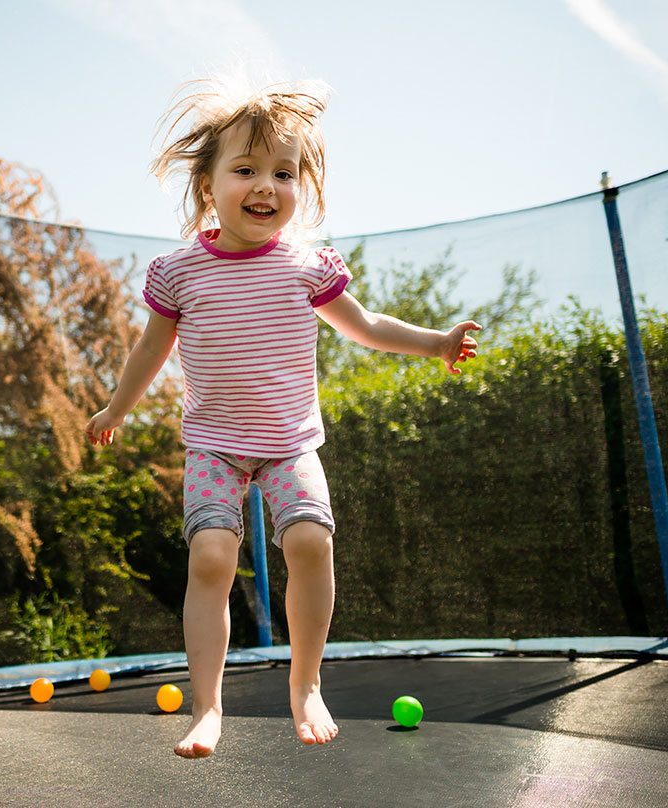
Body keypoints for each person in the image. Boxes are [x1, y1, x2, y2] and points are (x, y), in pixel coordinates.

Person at [84, 78, 481, 759]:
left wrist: (436, 341)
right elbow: (153, 347)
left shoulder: (305, 265)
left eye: (283, 173)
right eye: (245, 170)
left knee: (310, 544)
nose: (266, 186)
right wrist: (117, 406)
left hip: (290, 444)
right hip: (213, 444)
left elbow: (367, 326)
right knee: (211, 555)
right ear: (208, 185)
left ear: (302, 185)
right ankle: (207, 707)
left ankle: (306, 684)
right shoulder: (179, 272)